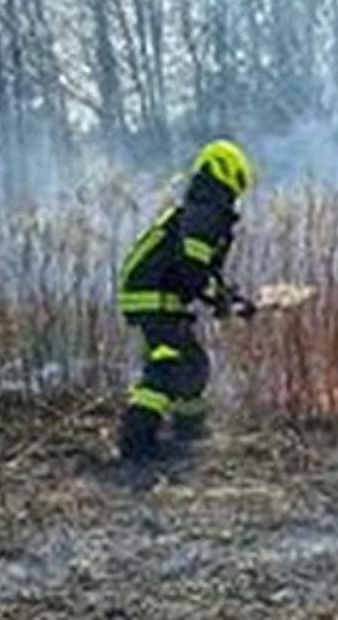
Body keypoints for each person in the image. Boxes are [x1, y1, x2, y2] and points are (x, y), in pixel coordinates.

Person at [114, 140, 258, 462]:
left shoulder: (202, 209)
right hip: (151, 296)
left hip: (159, 295)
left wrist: (229, 298)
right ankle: (136, 443)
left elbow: (198, 270)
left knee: (194, 365)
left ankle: (189, 430)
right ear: (224, 173)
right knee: (168, 365)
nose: (237, 194)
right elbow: (193, 270)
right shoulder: (207, 211)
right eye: (237, 184)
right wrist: (219, 300)